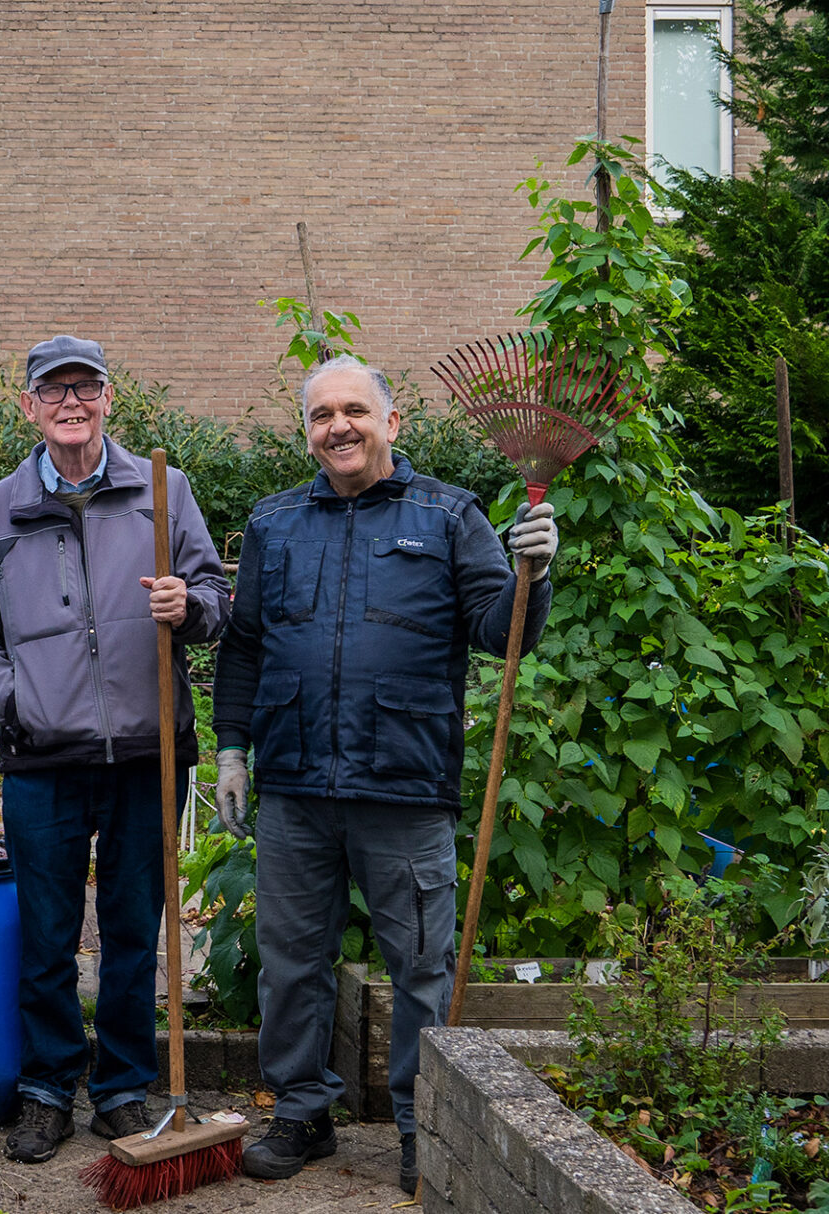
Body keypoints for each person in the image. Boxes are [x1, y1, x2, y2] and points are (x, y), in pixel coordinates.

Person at [211, 355, 559, 1195]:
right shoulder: (274, 523)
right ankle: (302, 1111)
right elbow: (247, 643)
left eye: (356, 411)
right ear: (308, 432)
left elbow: (497, 629)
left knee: (420, 967)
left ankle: (420, 1124)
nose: (340, 426)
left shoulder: (449, 515)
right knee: (291, 958)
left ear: (392, 423)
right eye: (323, 414)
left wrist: (534, 573)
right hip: (295, 782)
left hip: (403, 784)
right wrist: (230, 749)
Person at [0, 335, 232, 1163]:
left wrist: (192, 607)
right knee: (47, 934)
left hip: (149, 753)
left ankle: (122, 1088)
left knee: (135, 929)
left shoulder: (164, 491)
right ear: (28, 406)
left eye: (87, 387)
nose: (72, 402)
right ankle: (45, 1091)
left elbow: (216, 597)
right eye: (54, 390)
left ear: (110, 399)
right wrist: (14, 699)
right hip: (44, 758)